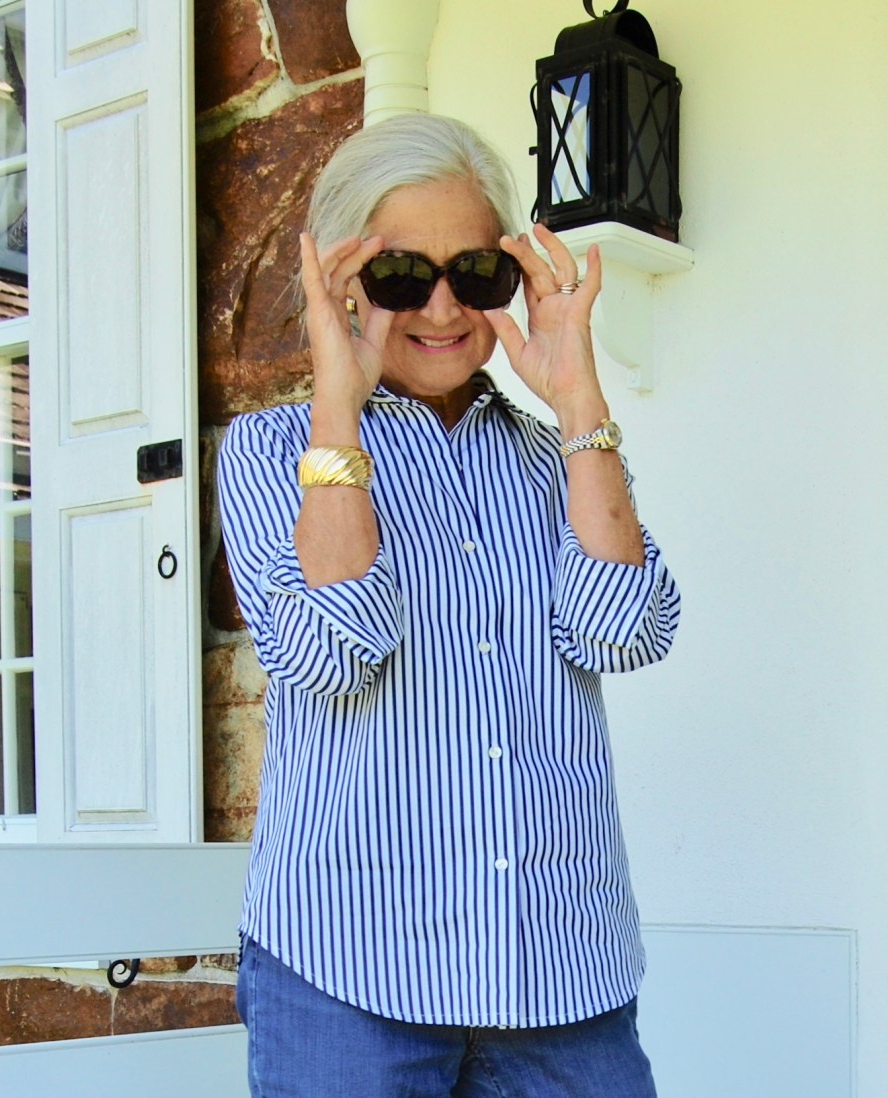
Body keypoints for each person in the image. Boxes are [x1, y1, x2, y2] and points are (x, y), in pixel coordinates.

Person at [218, 112, 680, 1098]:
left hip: (560, 965)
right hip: (351, 971)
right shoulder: (271, 452)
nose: (441, 306)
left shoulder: (560, 459)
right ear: (341, 280)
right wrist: (338, 405)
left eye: (475, 274)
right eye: (399, 276)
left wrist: (580, 403)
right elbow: (335, 653)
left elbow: (625, 629)